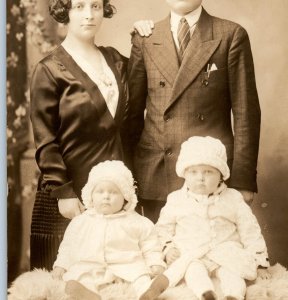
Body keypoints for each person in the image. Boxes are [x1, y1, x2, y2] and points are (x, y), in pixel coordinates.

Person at [29, 0, 152, 270]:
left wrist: (142, 38)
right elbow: (45, 141)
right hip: (69, 196)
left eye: (95, 6)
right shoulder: (49, 69)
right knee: (59, 283)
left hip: (115, 196)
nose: (89, 15)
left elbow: (148, 80)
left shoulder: (117, 61)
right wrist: (64, 193)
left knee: (117, 281)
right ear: (65, 12)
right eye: (79, 6)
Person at [128, 0, 261, 222]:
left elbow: (246, 114)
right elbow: (131, 116)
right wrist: (127, 176)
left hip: (210, 174)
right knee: (160, 252)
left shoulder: (230, 34)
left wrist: (244, 180)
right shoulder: (145, 37)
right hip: (156, 174)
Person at [140, 136, 269, 300]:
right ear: (184, 173)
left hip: (226, 253)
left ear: (221, 175)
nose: (200, 177)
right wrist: (169, 248)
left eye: (208, 172)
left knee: (233, 274)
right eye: (193, 172)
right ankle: (206, 294)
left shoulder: (233, 199)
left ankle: (233, 295)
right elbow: (162, 230)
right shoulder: (176, 199)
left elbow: (251, 231)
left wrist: (260, 263)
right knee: (194, 272)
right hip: (192, 253)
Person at [51, 160, 165, 299]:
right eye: (100, 191)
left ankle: (147, 293)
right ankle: (88, 295)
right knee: (81, 279)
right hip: (90, 267)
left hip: (127, 267)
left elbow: (150, 246)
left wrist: (155, 263)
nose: (106, 196)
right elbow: (67, 248)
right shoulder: (80, 221)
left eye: (113, 192)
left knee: (141, 279)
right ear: (91, 196)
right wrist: (60, 266)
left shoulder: (138, 222)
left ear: (125, 197)